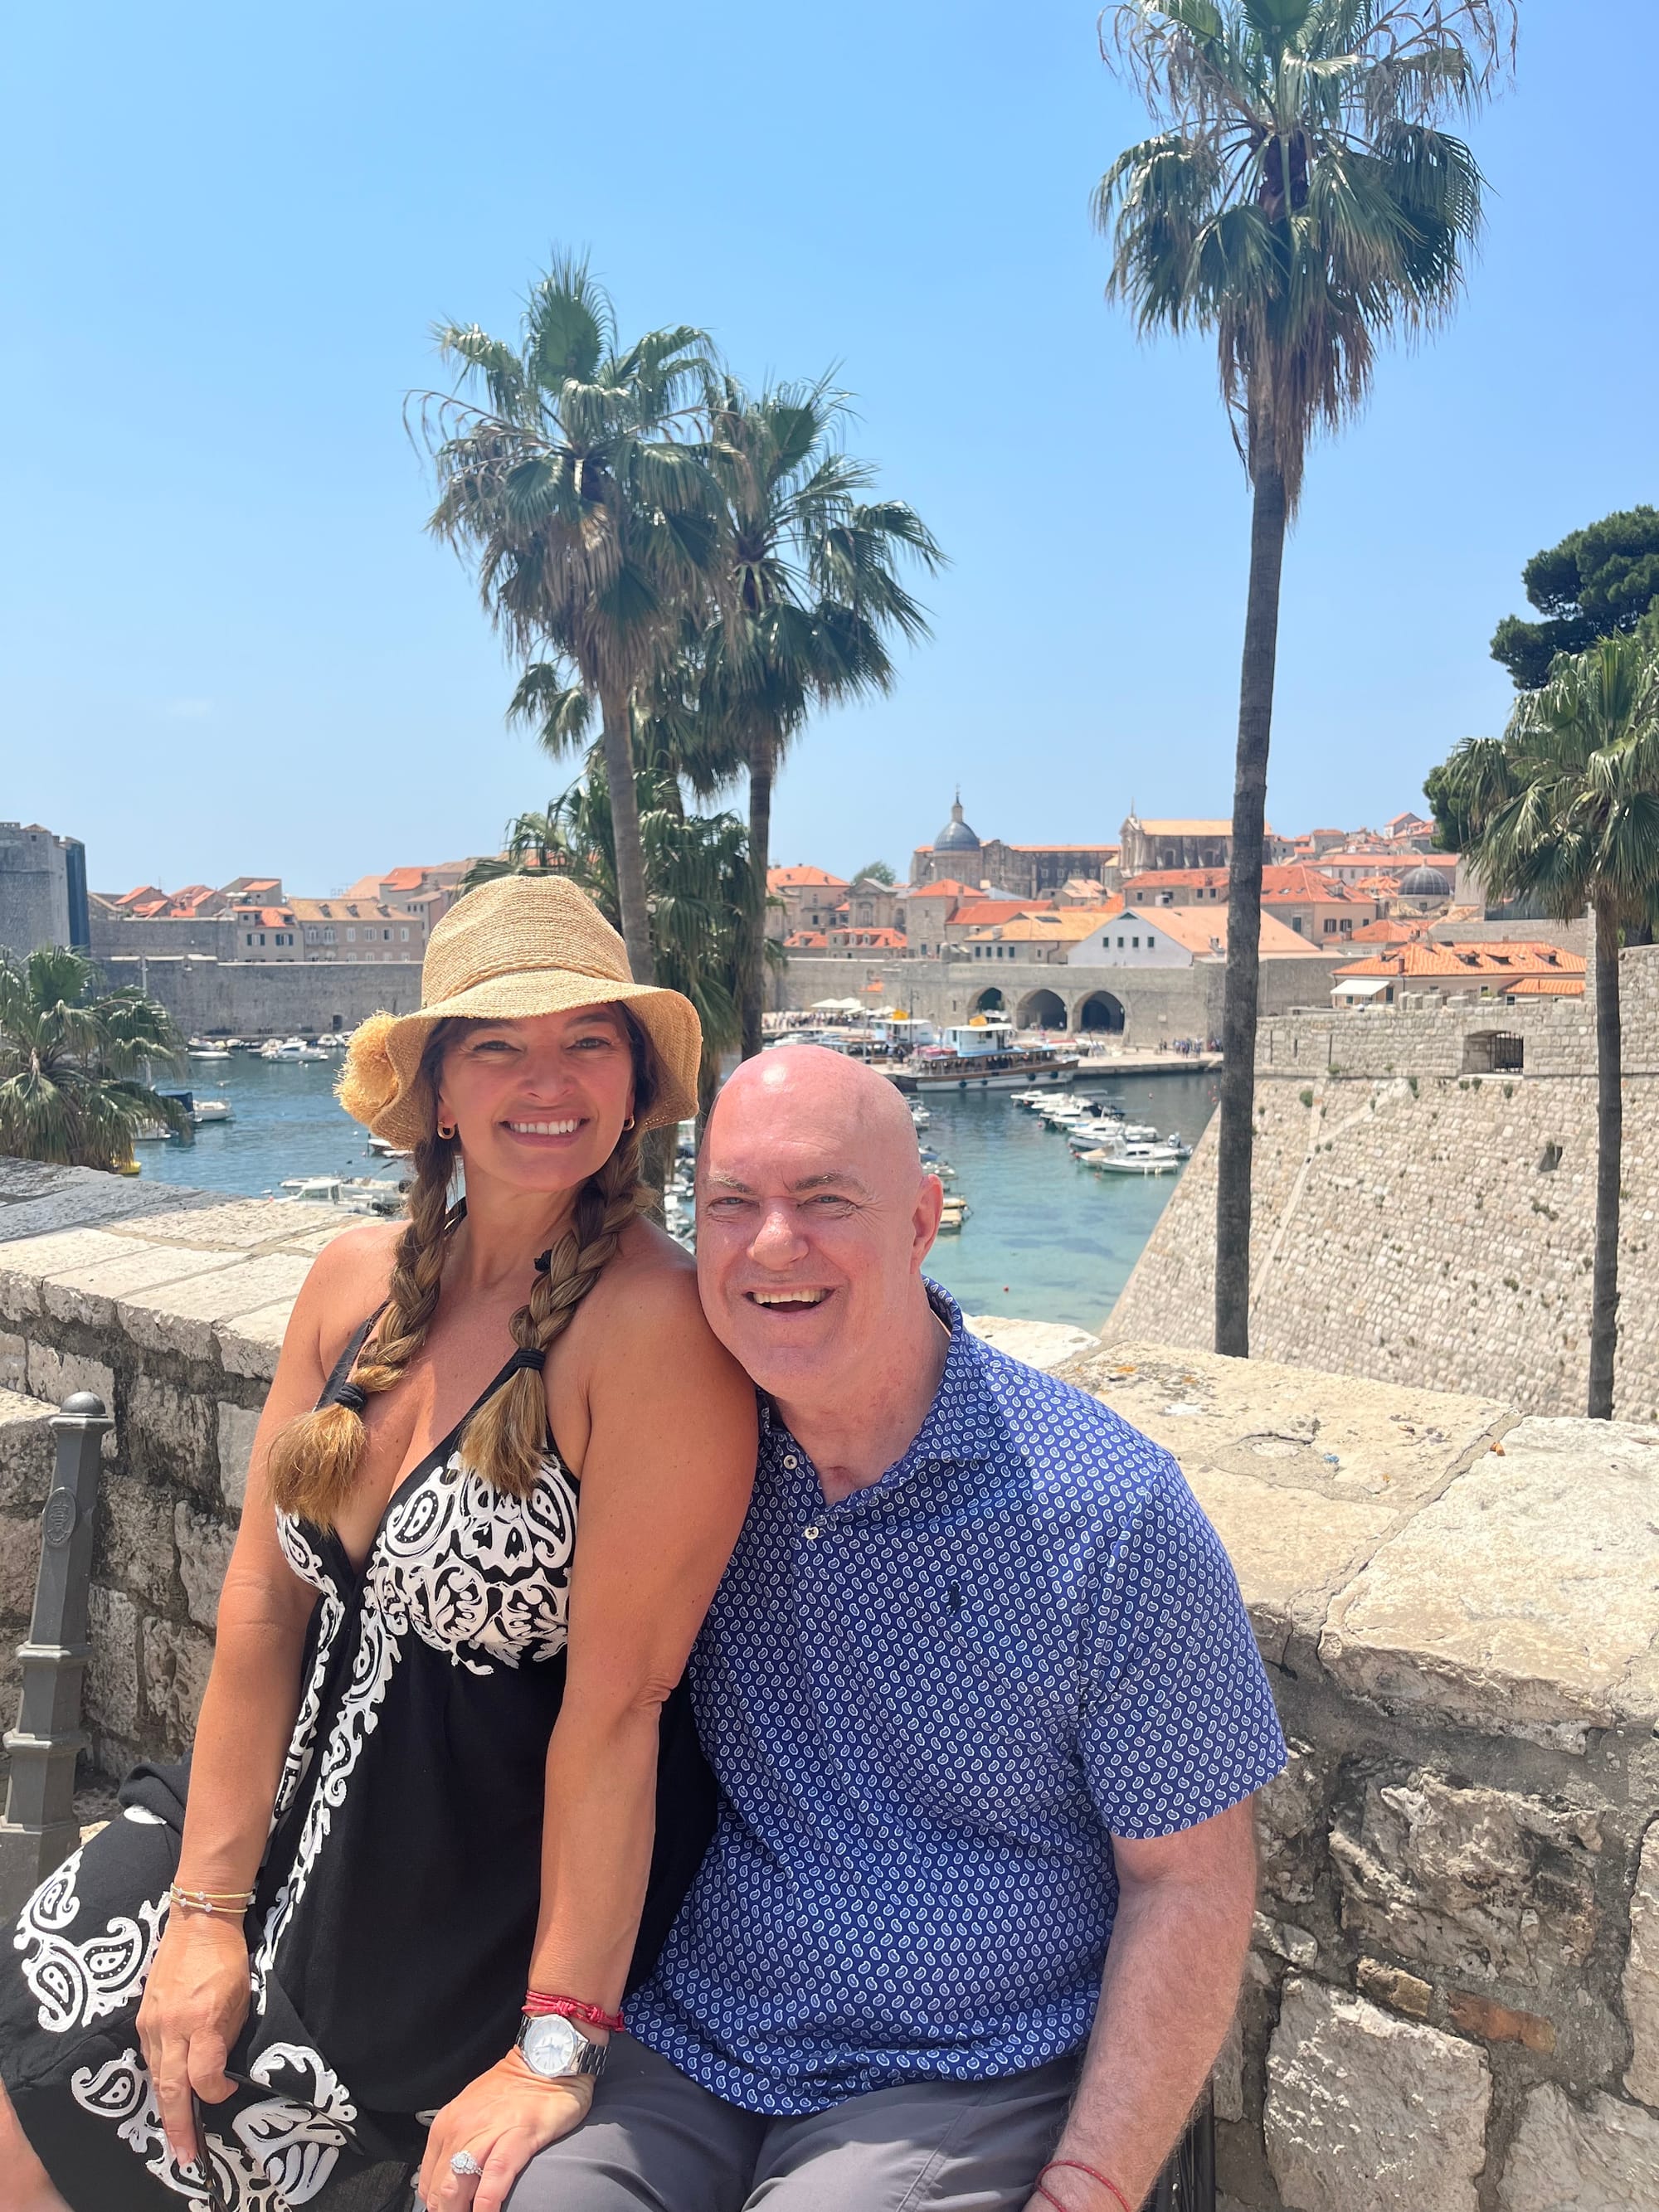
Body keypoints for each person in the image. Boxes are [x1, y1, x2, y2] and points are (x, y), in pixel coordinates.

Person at [0, 876, 756, 2212]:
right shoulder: (356, 1280)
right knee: (41, 2000)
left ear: (634, 1089)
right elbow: (263, 1603)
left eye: (590, 1041)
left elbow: (620, 1712)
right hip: (260, 1816)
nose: (550, 1078)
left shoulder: (655, 1334)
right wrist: (206, 1909)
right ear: (440, 1094)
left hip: (459, 1888)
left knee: (219, 2123)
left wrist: (557, 2038)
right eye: (499, 1045)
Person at [513, 1045, 1286, 2212]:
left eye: (826, 1201)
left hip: (965, 2069)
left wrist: (1090, 2186)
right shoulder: (694, 1458)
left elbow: (1191, 1881)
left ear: (924, 1221)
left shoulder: (1106, 1514)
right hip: (703, 2034)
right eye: (733, 1207)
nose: (775, 1244)